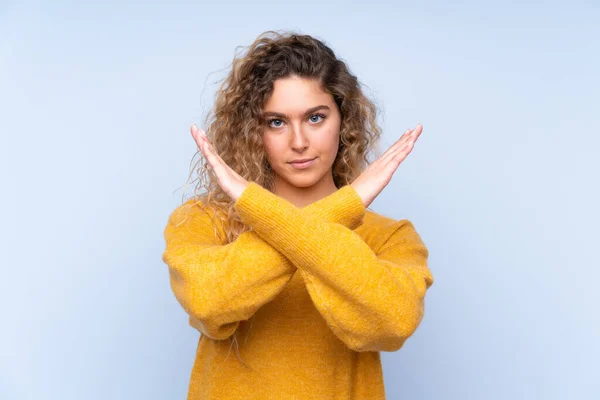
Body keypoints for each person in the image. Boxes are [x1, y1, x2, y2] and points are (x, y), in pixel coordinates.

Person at [162, 30, 434, 400]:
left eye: (315, 118)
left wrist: (261, 207)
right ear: (252, 131)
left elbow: (393, 323)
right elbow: (209, 303)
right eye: (276, 122)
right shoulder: (202, 221)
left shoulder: (388, 237)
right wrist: (346, 205)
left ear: (344, 119)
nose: (299, 141)